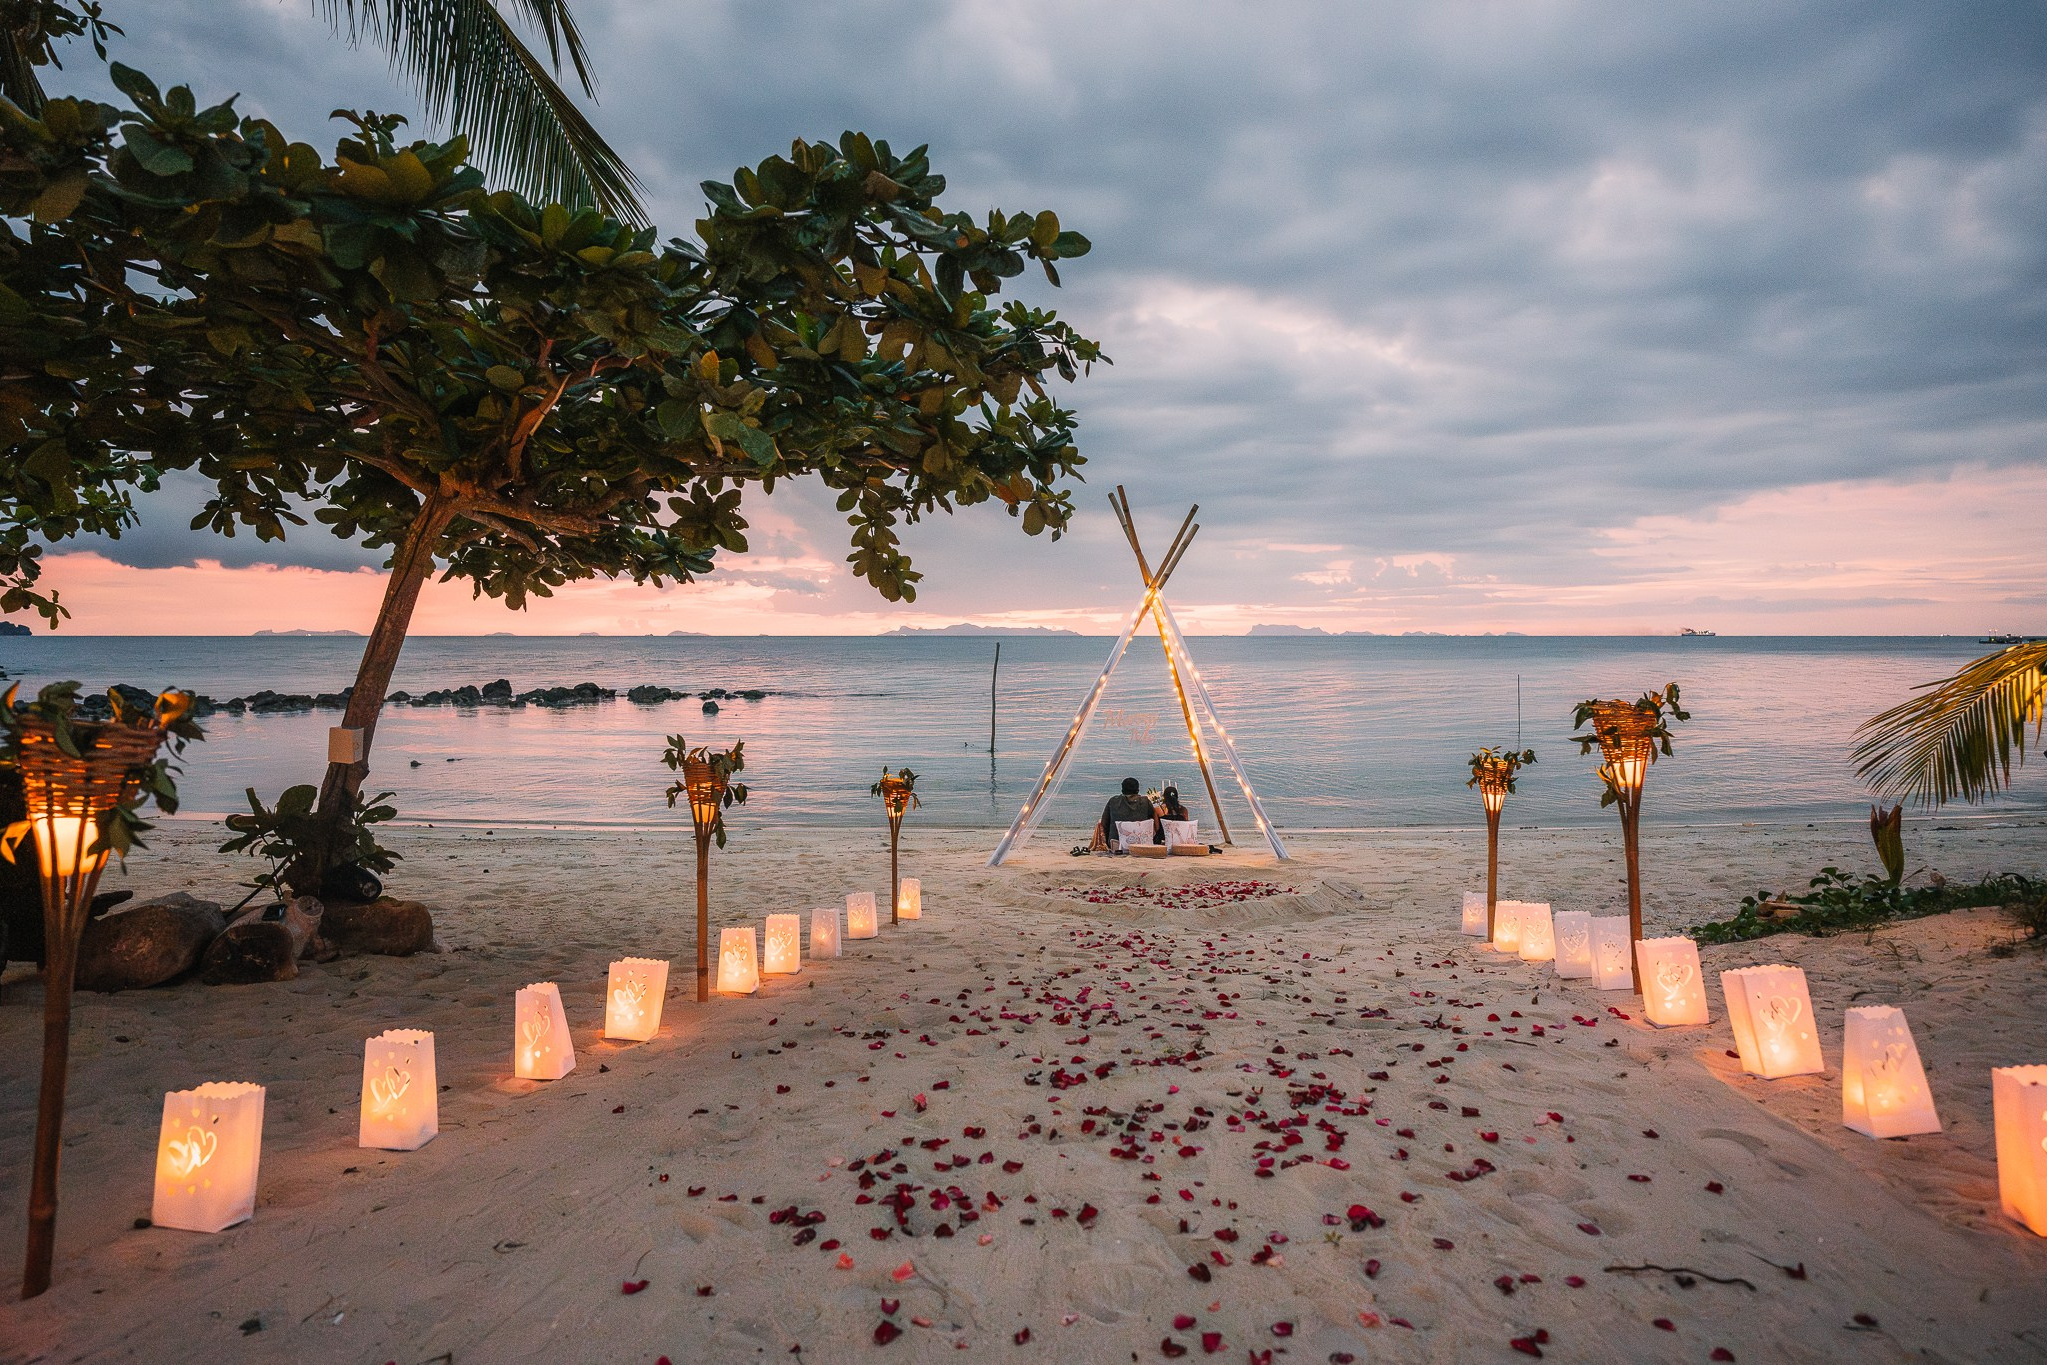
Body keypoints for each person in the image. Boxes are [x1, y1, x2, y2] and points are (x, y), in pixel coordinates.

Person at [1098, 777, 1156, 852]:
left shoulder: (1113, 801)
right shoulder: (1145, 802)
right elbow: (1153, 821)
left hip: (1116, 844)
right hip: (1142, 844)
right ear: (1137, 790)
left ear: (1122, 790)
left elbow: (1104, 823)